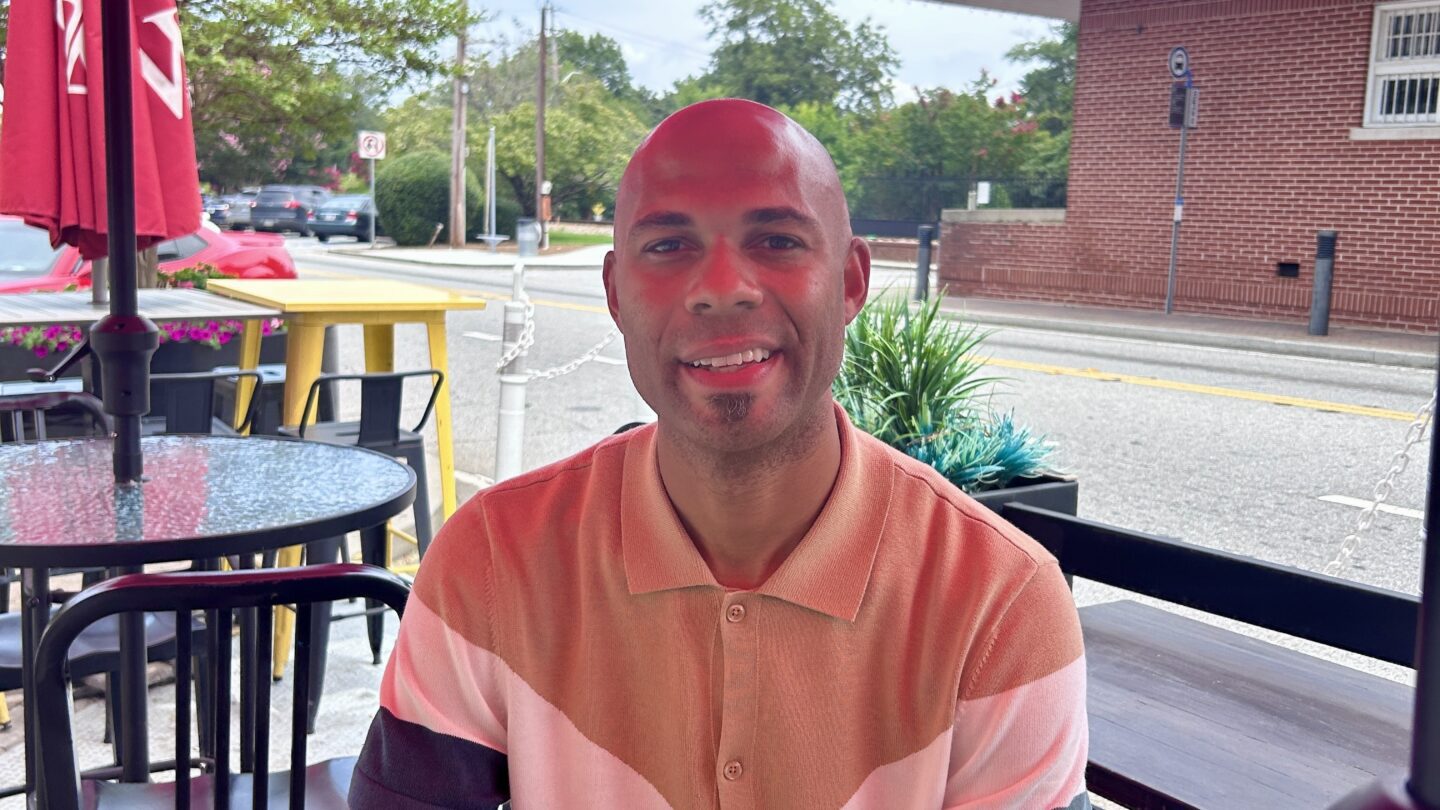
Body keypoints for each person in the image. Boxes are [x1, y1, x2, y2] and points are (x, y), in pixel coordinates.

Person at [350, 98, 1089, 810]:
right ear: (615, 291)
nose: (723, 290)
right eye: (669, 246)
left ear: (852, 280)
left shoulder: (999, 602)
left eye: (777, 240)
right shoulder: (491, 559)